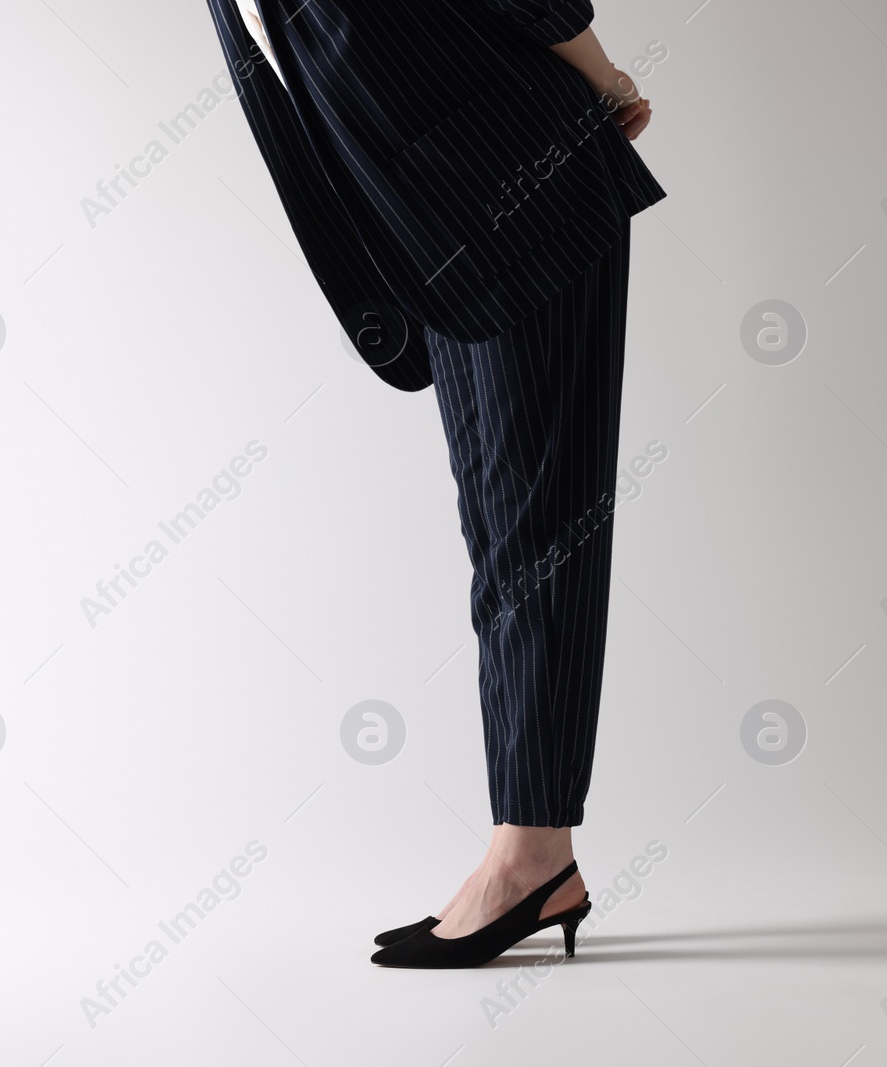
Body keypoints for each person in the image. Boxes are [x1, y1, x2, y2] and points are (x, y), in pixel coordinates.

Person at [204, 0, 661, 968]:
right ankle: (527, 844)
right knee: (500, 532)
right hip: (425, 225)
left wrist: (601, 74)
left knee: (541, 525)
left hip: (515, 177)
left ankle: (533, 851)